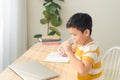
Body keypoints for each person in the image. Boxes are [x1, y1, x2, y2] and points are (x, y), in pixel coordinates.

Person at [58, 13, 103, 80]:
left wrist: (68, 52)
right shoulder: (81, 44)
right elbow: (72, 50)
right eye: (71, 34)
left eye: (75, 34)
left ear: (86, 32)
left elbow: (83, 71)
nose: (73, 37)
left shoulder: (92, 50)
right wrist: (64, 50)